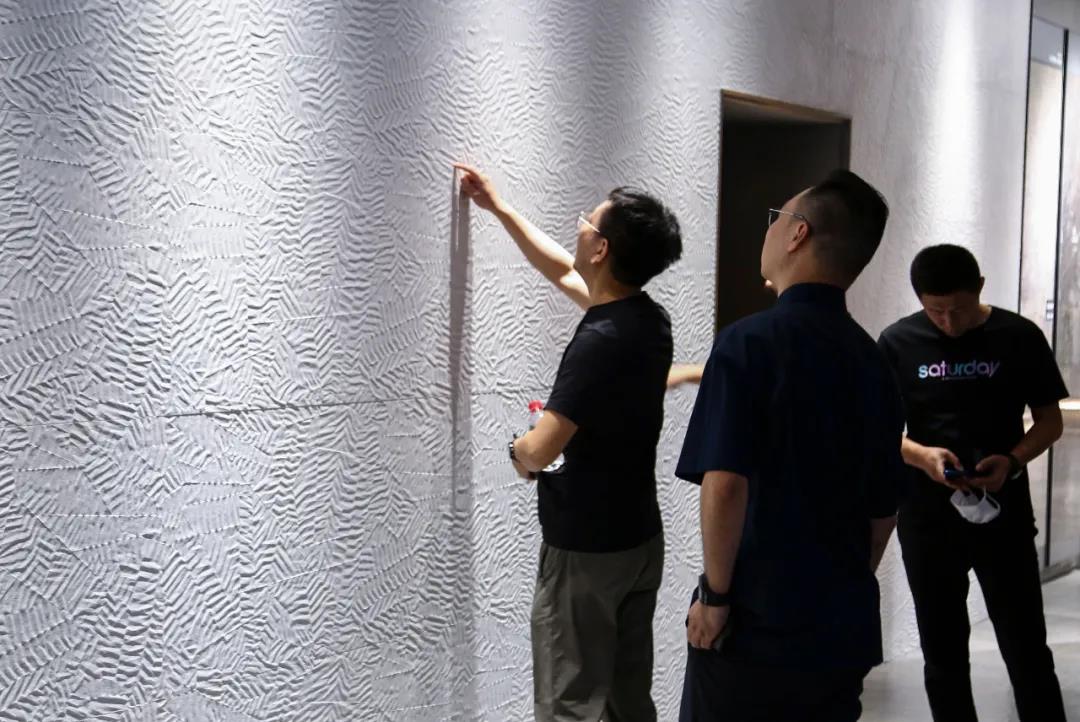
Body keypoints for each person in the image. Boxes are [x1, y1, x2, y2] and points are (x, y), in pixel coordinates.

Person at [453, 162, 682, 722]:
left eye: (587, 221)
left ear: (601, 249)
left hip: (586, 551)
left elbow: (541, 450)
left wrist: (518, 450)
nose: (578, 226)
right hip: (637, 541)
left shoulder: (597, 342)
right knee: (629, 701)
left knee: (568, 705)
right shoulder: (647, 320)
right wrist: (499, 208)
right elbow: (561, 268)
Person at [675, 169, 903, 721]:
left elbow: (725, 485)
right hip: (838, 631)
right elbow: (883, 511)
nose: (769, 229)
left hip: (755, 624)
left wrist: (715, 598)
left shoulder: (747, 344)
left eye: (776, 218)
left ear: (799, 233)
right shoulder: (875, 362)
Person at [877, 244, 1068, 721]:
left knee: (1026, 646)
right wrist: (923, 457)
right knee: (942, 653)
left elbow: (1049, 421)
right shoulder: (897, 342)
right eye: (935, 311)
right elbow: (877, 429)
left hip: (1004, 512)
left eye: (959, 309)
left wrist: (1013, 460)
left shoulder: (1018, 336)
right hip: (927, 518)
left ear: (980, 288)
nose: (948, 322)